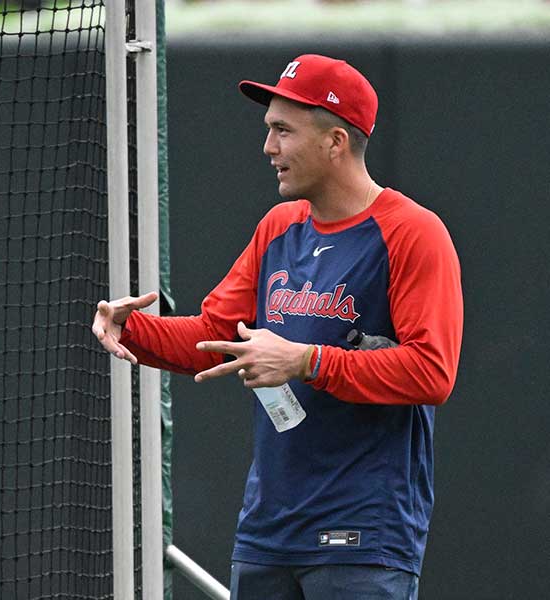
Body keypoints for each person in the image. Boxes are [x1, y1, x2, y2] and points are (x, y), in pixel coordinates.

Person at [92, 54, 462, 599]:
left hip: (363, 535)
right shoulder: (280, 227)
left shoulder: (412, 232)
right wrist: (133, 331)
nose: (268, 148)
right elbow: (218, 337)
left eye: (282, 131)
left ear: (336, 141)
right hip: (268, 533)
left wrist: (305, 361)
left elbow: (432, 372)